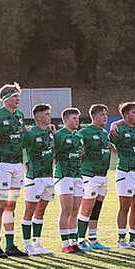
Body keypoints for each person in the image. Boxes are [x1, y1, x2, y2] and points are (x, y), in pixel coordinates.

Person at [0, 83, 27, 258]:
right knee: (0, 204)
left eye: (18, 97)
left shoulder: (20, 114)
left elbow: (23, 133)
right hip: (1, 165)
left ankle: (10, 245)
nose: (18, 100)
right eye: (15, 96)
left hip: (17, 164)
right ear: (5, 98)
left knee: (11, 205)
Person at [19, 104, 56, 255]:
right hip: (34, 178)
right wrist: (24, 164)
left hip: (49, 177)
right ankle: (27, 245)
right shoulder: (30, 133)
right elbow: (17, 148)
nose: (50, 116)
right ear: (38, 117)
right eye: (47, 114)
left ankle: (37, 243)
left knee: (40, 212)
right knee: (29, 211)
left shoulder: (50, 132)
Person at [111, 102, 135, 248]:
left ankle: (133, 238)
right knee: (124, 206)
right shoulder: (118, 129)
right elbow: (109, 143)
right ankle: (121, 239)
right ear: (126, 115)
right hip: (125, 172)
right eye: (134, 112)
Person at [77, 104, 112, 250]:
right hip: (89, 175)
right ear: (94, 116)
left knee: (96, 208)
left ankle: (93, 238)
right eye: (102, 114)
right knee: (86, 208)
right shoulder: (85, 132)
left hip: (103, 175)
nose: (105, 117)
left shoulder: (104, 133)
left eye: (106, 114)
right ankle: (80, 240)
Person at [56, 108, 85, 252]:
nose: (77, 121)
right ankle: (65, 244)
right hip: (64, 176)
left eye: (78, 118)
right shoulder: (59, 135)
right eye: (74, 118)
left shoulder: (78, 136)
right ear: (66, 120)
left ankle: (74, 242)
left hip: (77, 176)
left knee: (75, 210)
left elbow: (80, 155)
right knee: (66, 210)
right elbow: (53, 156)